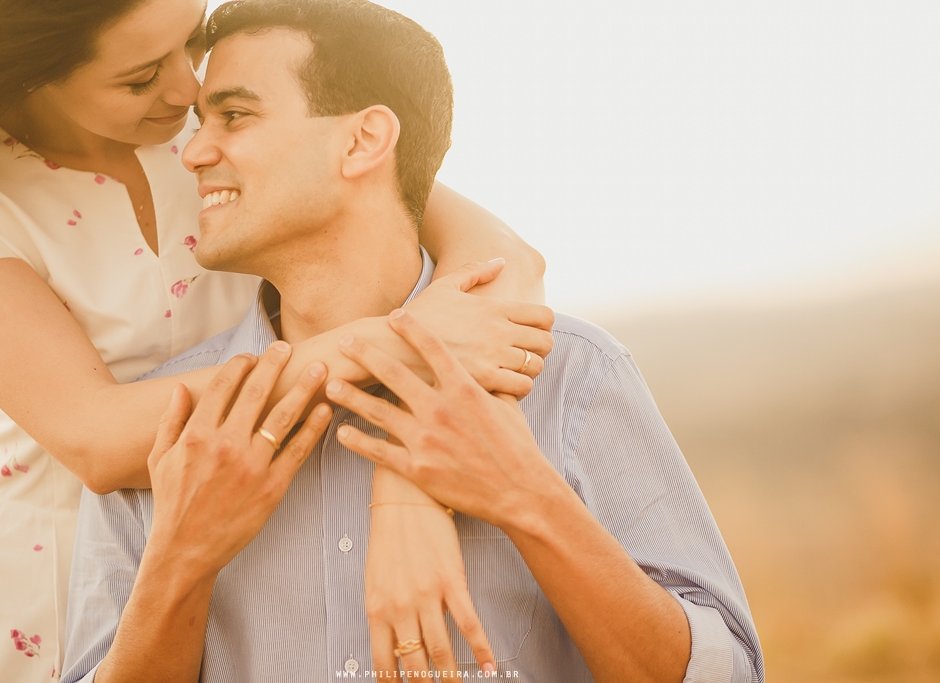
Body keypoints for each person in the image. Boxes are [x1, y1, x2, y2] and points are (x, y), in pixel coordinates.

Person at [61, 1, 764, 681]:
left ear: (363, 140)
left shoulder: (572, 376)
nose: (193, 152)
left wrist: (529, 500)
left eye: (235, 116)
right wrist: (179, 561)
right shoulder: (174, 430)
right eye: (200, 123)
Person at [0, 0, 551, 679]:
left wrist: (410, 480)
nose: (186, 88)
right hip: (53, 580)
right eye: (141, 76)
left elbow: (503, 265)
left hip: (268, 549)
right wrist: (393, 346)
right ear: (29, 71)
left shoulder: (223, 125)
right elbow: (98, 440)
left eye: (191, 39)